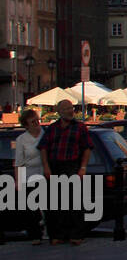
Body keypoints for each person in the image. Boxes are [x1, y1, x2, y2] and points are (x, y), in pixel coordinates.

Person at [37, 99, 94, 245]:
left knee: (74, 203)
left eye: (71, 108)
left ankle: (76, 235)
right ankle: (57, 235)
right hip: (55, 166)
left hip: (72, 165)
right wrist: (46, 167)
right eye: (67, 109)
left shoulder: (80, 127)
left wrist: (82, 168)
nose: (70, 111)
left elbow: (87, 148)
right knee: (55, 204)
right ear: (60, 112)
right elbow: (43, 147)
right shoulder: (53, 128)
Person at [15, 107, 46, 243]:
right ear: (26, 125)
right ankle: (35, 236)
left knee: (48, 206)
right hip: (29, 176)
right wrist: (18, 181)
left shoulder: (45, 134)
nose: (36, 124)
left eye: (37, 121)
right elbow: (18, 162)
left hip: (44, 175)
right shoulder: (21, 140)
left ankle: (49, 231)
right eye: (33, 122)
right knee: (31, 208)